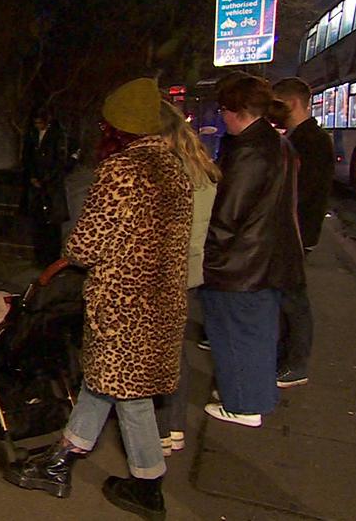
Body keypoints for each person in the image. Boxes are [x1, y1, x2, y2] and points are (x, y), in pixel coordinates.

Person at [4, 78, 193, 521]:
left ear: (117, 127)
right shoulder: (174, 168)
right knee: (103, 382)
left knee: (127, 393)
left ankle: (149, 485)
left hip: (125, 304)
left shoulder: (122, 170)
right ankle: (61, 460)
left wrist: (63, 259)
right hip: (161, 300)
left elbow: (88, 244)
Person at [200, 74, 305, 428]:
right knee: (257, 335)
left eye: (225, 110)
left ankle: (243, 404)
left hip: (242, 263)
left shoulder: (248, 151)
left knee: (235, 335)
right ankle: (254, 394)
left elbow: (229, 214)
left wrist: (209, 256)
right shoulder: (279, 144)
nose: (222, 118)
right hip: (269, 258)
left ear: (237, 111)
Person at [155, 101, 222, 457]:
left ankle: (163, 430)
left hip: (165, 272)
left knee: (159, 356)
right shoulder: (201, 167)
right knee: (175, 351)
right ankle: (174, 427)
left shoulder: (167, 171)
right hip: (191, 273)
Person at [271, 77, 334, 388]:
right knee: (288, 298)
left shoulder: (310, 141)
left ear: (292, 103)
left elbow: (302, 191)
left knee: (293, 299)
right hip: (297, 230)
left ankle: (295, 363)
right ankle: (287, 358)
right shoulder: (304, 137)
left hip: (298, 231)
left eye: (278, 104)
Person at [21, 108, 74, 267]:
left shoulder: (57, 136)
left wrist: (45, 180)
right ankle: (41, 257)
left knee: (52, 224)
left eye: (40, 123)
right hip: (37, 184)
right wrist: (32, 177)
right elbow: (27, 157)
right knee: (38, 222)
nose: (37, 126)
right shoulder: (32, 136)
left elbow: (60, 162)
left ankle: (51, 258)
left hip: (51, 186)